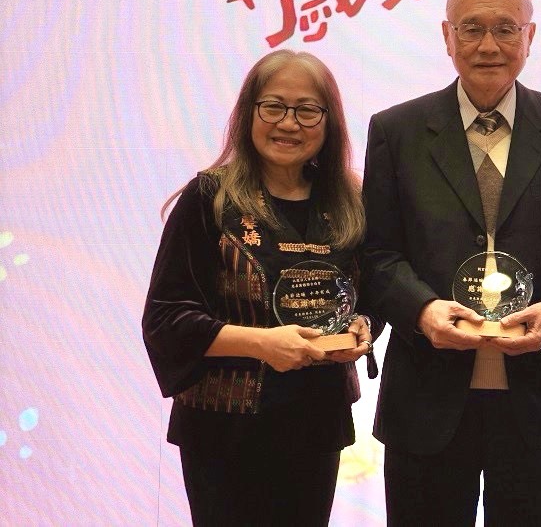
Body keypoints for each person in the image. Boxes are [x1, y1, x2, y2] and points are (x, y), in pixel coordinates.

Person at [361, 0, 541, 526]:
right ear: (447, 37)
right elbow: (377, 253)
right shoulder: (397, 131)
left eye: (506, 29)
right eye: (472, 29)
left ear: (530, 37)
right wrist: (423, 311)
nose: (489, 46)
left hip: (538, 392)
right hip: (426, 392)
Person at [143, 49, 373, 526]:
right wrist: (262, 344)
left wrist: (361, 326)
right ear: (248, 113)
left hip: (317, 421)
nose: (289, 123)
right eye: (273, 107)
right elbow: (167, 319)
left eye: (307, 110)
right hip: (223, 428)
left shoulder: (348, 203)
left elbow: (368, 296)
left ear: (329, 122)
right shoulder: (209, 198)